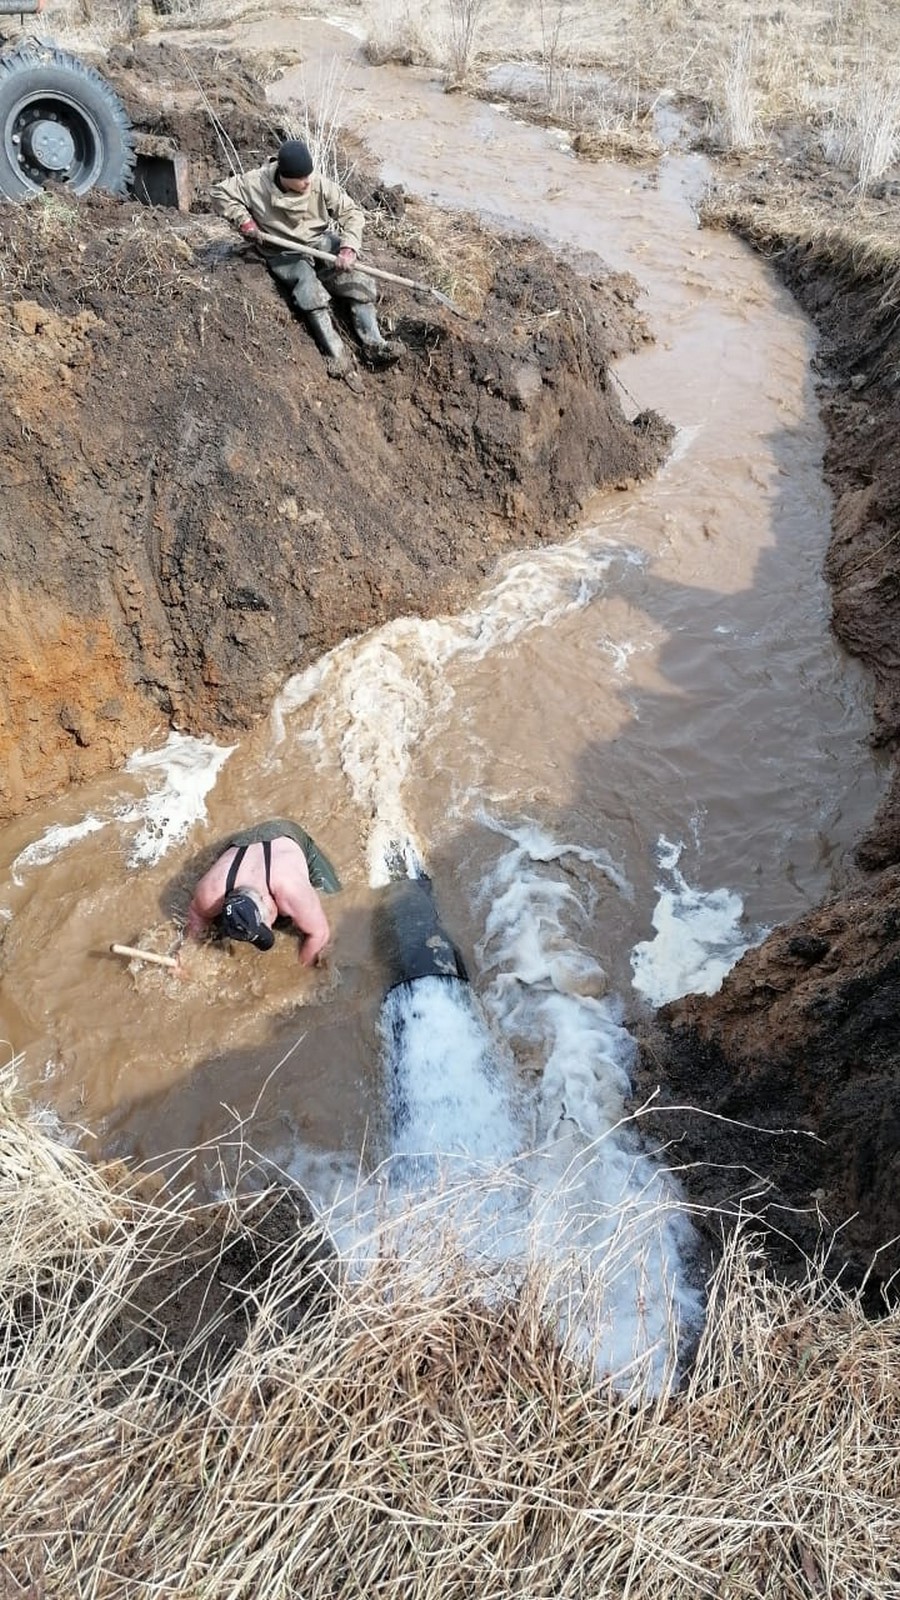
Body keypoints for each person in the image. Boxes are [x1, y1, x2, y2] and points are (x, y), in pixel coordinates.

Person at [210, 138, 403, 378]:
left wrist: (348, 248)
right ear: (283, 176)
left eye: (309, 175)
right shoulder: (255, 182)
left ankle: (374, 344)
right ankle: (337, 355)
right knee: (310, 292)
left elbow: (352, 213)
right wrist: (243, 220)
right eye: (301, 178)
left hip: (318, 241)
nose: (307, 181)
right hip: (282, 250)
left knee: (358, 282)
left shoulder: (319, 184)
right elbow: (218, 191)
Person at [185, 819, 342, 966]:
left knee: (335, 898)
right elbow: (197, 915)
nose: (271, 926)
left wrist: (303, 970)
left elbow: (320, 934)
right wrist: (191, 958)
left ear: (264, 897)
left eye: (266, 924)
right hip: (241, 845)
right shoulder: (210, 894)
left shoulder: (292, 890)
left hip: (284, 834)